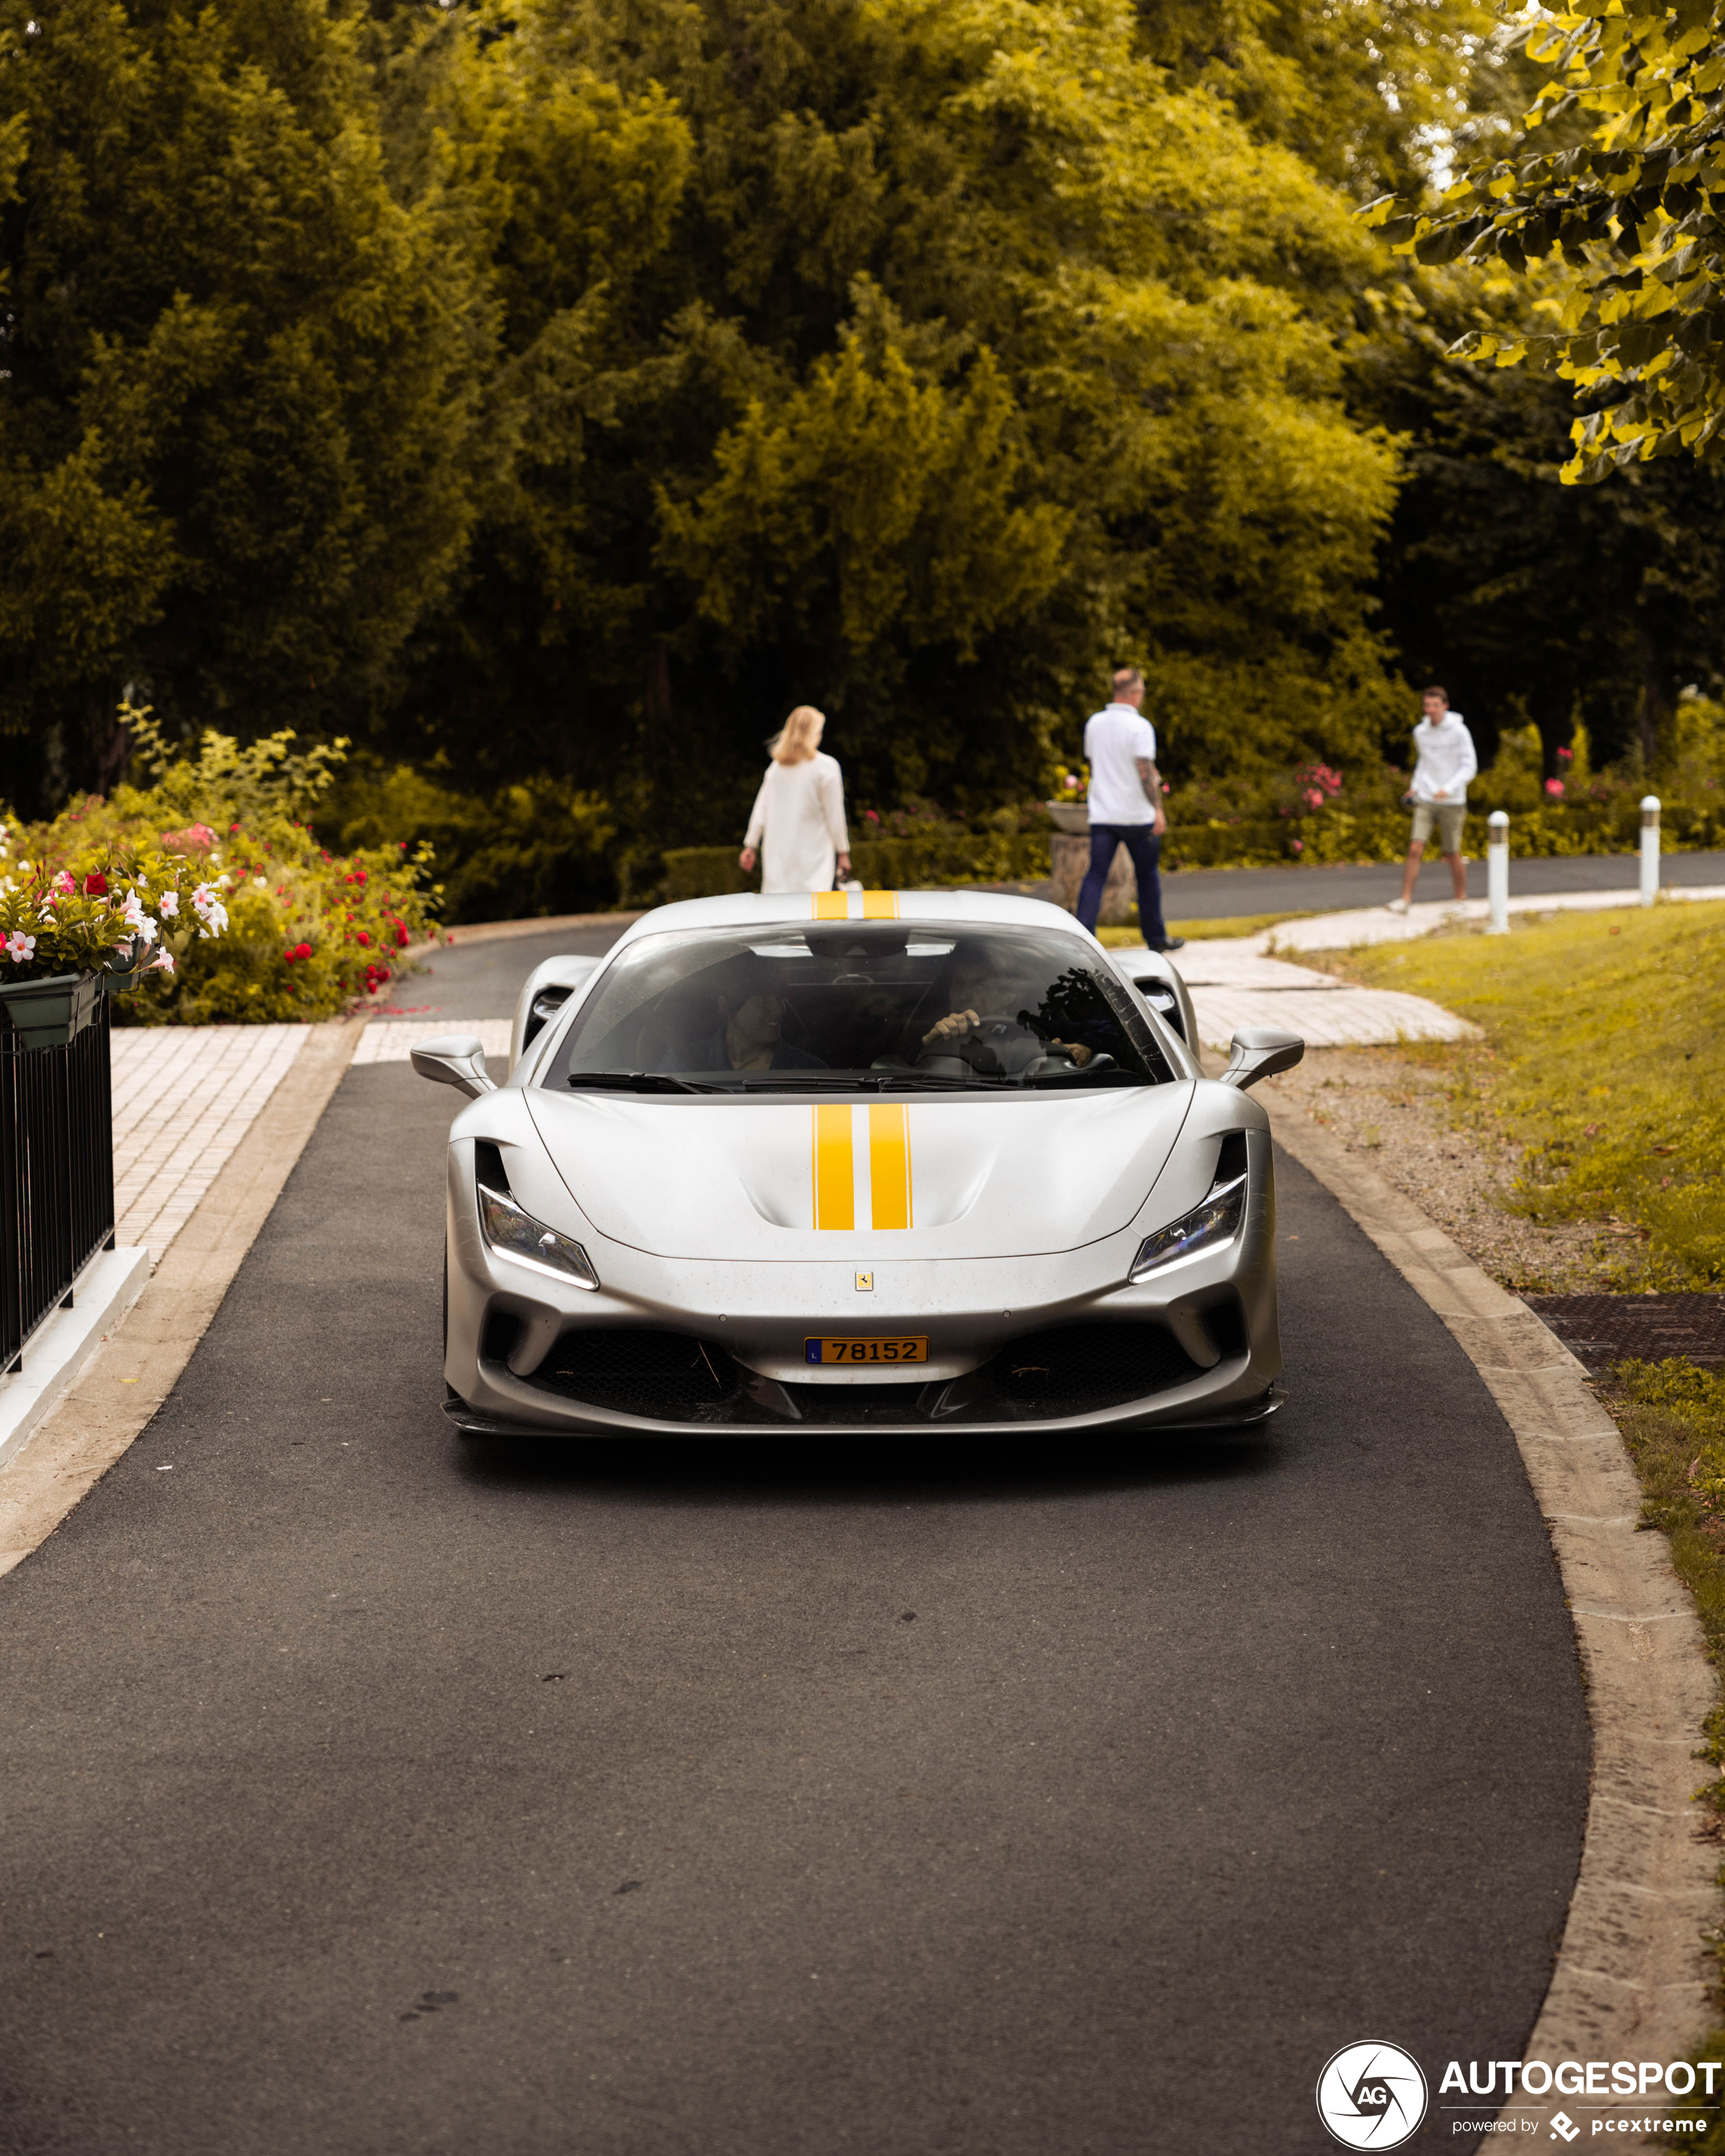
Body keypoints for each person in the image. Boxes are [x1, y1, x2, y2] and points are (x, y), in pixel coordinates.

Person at [1075, 667, 1182, 953]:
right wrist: (1158, 809)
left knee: (1095, 875)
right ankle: (1156, 939)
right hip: (1137, 816)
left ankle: (1082, 940)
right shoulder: (1140, 727)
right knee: (1147, 877)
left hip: (1103, 814)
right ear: (1134, 693)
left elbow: (1094, 761)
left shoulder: (1094, 723)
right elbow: (1145, 771)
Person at [740, 706, 852, 894]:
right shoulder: (826, 768)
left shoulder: (776, 769)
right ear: (811, 733)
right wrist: (843, 852)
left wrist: (750, 845)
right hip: (813, 861)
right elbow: (836, 817)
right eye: (819, 731)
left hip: (777, 862)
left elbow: (761, 811)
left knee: (779, 914)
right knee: (813, 913)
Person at [1387, 687, 1478, 914]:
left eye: (1435, 705)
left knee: (1451, 852)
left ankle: (1460, 899)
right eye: (1427, 705)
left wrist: (1448, 788)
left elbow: (1470, 766)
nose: (1430, 710)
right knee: (1416, 847)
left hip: (1453, 801)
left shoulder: (1459, 732)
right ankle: (1405, 901)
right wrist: (1414, 789)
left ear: (1445, 706)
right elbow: (1424, 763)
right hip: (1426, 799)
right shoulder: (1421, 732)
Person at [666, 983, 827, 1074]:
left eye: (780, 998)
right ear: (726, 1006)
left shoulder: (810, 1069)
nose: (779, 1009)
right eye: (762, 1000)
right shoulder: (681, 1062)